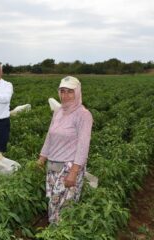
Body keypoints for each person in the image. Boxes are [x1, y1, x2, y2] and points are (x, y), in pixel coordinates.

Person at [37, 76, 93, 224]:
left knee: (64, 208)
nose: (65, 95)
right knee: (53, 202)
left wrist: (73, 173)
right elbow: (50, 135)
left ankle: (59, 233)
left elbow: (83, 145)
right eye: (62, 91)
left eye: (70, 92)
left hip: (69, 167)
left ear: (78, 93)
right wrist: (42, 158)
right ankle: (54, 232)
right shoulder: (58, 111)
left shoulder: (83, 115)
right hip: (53, 165)